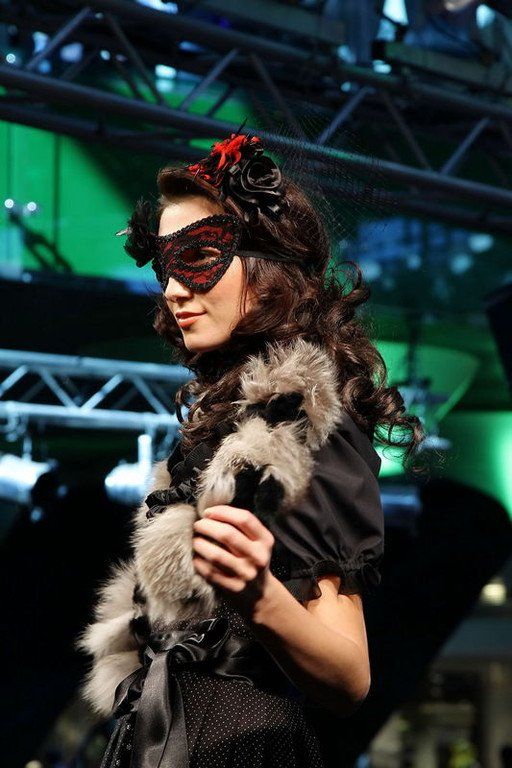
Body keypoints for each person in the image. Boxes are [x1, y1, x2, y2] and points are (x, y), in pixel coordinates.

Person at [77, 130, 424, 768]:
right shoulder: (214, 434)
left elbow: (351, 677)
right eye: (163, 265)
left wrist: (259, 594)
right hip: (161, 737)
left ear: (268, 269)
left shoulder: (307, 428)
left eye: (197, 256)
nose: (173, 288)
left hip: (244, 747)